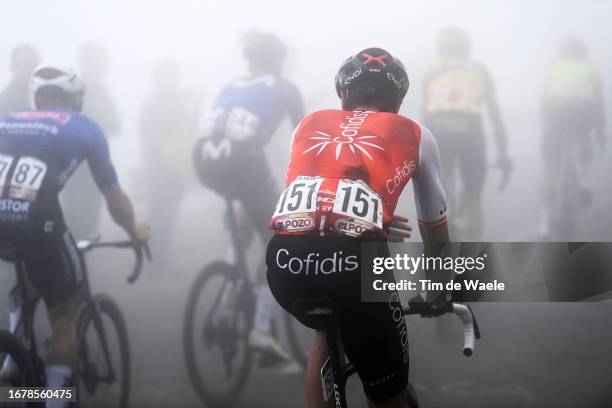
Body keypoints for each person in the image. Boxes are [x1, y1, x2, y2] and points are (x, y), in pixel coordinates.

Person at [266, 48, 450, 408]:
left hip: (286, 262)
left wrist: (370, 217)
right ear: (397, 101)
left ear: (343, 95)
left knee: (325, 332)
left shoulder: (308, 123)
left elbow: (314, 196)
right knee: (387, 394)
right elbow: (433, 223)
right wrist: (441, 288)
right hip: (354, 265)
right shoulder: (415, 133)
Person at [0, 63, 148, 408]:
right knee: (66, 315)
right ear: (76, 98)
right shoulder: (85, 127)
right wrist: (135, 231)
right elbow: (116, 200)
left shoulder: (7, 119)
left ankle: (13, 359)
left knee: (24, 268)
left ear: (35, 97)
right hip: (38, 224)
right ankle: (52, 399)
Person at [193, 29, 304, 362]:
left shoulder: (231, 85)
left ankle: (230, 283)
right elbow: (307, 140)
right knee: (279, 237)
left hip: (203, 159)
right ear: (278, 60)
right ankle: (258, 328)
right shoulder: (285, 87)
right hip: (242, 161)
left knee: (249, 201)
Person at [421, 26, 511, 240]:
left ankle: (437, 250)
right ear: (467, 47)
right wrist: (503, 152)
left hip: (439, 138)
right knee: (472, 198)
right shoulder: (479, 70)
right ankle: (473, 257)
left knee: (437, 199)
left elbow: (425, 116)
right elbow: (494, 113)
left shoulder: (431, 71)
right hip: (471, 138)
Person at [540, 37, 606, 238]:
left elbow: (544, 99)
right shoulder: (591, 69)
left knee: (550, 167)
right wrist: (600, 130)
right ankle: (585, 182)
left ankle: (543, 223)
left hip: (556, 116)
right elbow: (599, 102)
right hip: (582, 116)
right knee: (584, 138)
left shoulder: (553, 68)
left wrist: (546, 124)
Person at [140, 59, 198, 272]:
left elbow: (188, 127)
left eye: (174, 75)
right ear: (158, 78)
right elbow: (150, 131)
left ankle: (162, 256)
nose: (172, 79)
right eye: (167, 75)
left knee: (169, 213)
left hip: (176, 167)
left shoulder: (177, 100)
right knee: (158, 213)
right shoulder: (154, 101)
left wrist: (193, 105)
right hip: (159, 167)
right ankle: (154, 258)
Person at [61, 42, 122, 240]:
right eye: (102, 59)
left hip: (90, 165)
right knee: (76, 219)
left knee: (86, 221)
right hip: (77, 167)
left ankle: (78, 265)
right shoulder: (75, 89)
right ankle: (72, 266)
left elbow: (116, 125)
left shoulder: (99, 90)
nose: (106, 64)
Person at [0, 45, 41, 117]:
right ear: (13, 67)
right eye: (27, 66)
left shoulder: (46, 97)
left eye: (36, 66)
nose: (32, 70)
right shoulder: (4, 100)